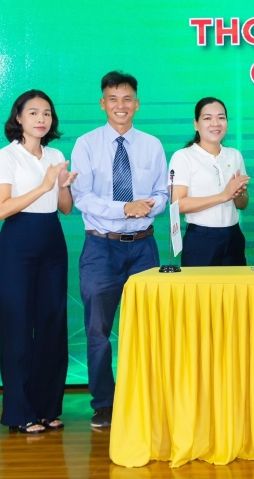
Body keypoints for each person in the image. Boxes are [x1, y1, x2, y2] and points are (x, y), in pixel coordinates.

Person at [70, 71, 168, 428]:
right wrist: (125, 208)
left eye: (127, 99)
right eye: (113, 99)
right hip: (101, 247)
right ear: (103, 103)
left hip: (144, 248)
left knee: (147, 328)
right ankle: (104, 404)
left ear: (136, 104)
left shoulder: (152, 145)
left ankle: (144, 398)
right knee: (98, 330)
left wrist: (147, 207)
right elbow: (82, 197)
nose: (120, 106)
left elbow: (163, 193)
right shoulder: (85, 144)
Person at [0, 90, 78, 434]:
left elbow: (65, 208)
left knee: (53, 323)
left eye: (47, 113)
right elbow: (2, 209)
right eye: (34, 113)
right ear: (19, 117)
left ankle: (47, 408)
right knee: (18, 325)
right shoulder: (4, 158)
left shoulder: (55, 155)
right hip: (18, 241)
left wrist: (62, 185)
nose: (41, 119)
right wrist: (44, 185)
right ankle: (20, 411)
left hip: (52, 239)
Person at [169, 98, 249, 266]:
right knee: (200, 284)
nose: (215, 123)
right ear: (196, 125)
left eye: (221, 117)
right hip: (201, 239)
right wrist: (223, 196)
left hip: (233, 236)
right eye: (207, 118)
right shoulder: (183, 156)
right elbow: (178, 205)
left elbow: (242, 204)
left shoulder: (235, 155)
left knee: (235, 283)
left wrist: (238, 194)